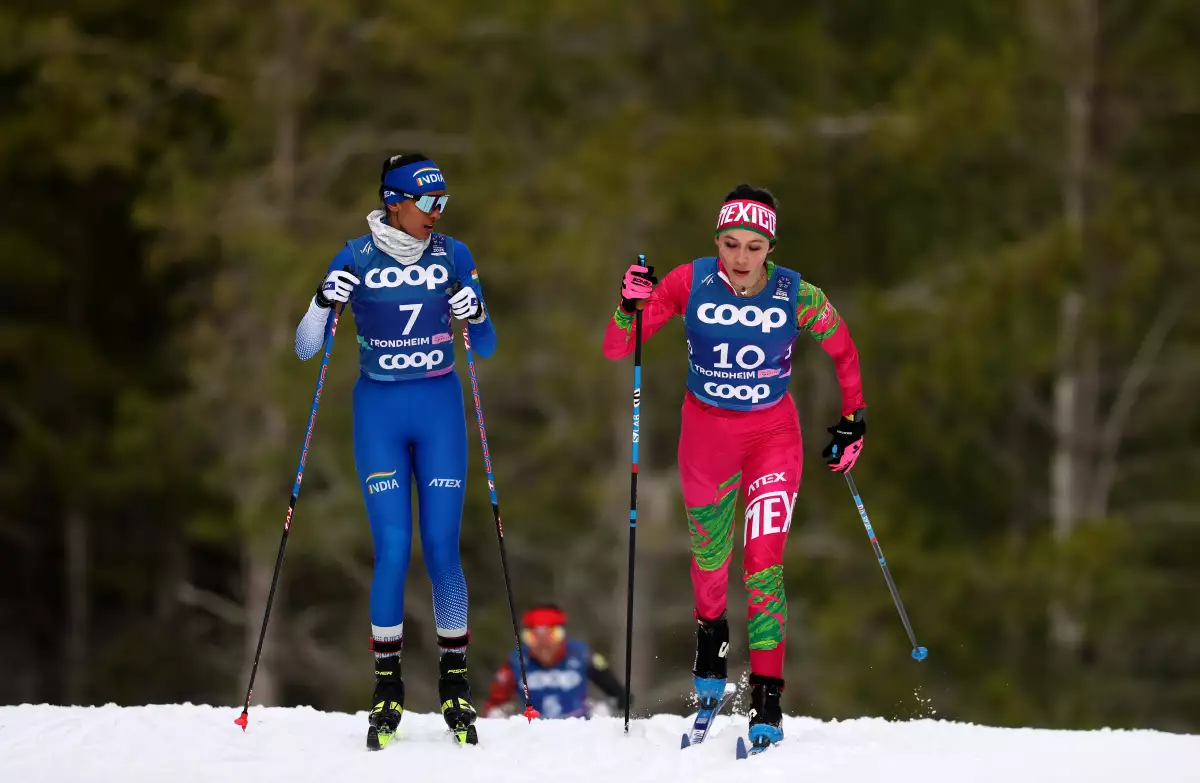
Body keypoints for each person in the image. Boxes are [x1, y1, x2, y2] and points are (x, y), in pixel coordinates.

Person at [601, 184, 866, 751]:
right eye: (730, 243)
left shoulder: (797, 293)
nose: (741, 258)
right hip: (706, 439)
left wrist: (854, 419)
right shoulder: (688, 281)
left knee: (763, 568)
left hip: (773, 436)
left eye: (753, 245)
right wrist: (629, 307)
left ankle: (767, 703)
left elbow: (843, 350)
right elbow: (619, 349)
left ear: (770, 246)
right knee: (710, 567)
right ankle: (709, 678)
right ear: (716, 241)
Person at [294, 153, 495, 749]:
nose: (436, 213)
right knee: (392, 547)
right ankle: (387, 690)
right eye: (427, 203)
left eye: (443, 203)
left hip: (439, 412)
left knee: (440, 547)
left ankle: (454, 682)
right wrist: (321, 302)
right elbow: (307, 349)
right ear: (394, 202)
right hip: (379, 413)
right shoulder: (354, 257)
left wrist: (476, 311)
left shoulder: (454, 255)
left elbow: (485, 344)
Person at [483, 604, 626, 719]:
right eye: (533, 638)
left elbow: (609, 681)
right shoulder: (516, 660)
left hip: (578, 725)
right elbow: (495, 702)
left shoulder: (581, 654)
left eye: (553, 636)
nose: (544, 646)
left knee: (601, 710)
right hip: (531, 729)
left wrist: (620, 697)